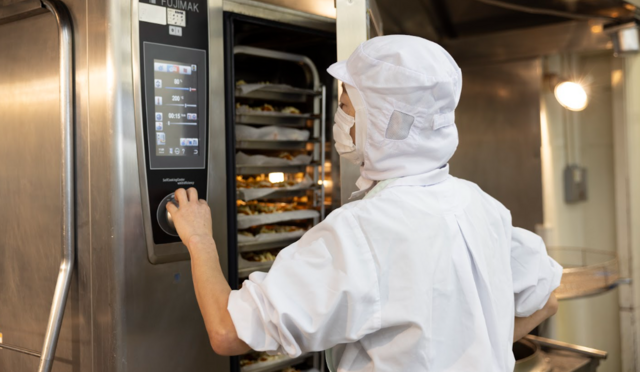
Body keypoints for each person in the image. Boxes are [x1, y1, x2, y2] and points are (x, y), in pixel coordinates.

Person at [167, 35, 562, 371]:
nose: (340, 118)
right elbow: (545, 301)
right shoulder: (481, 206)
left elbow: (228, 331)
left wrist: (200, 239)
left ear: (386, 121)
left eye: (345, 106)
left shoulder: (363, 229)